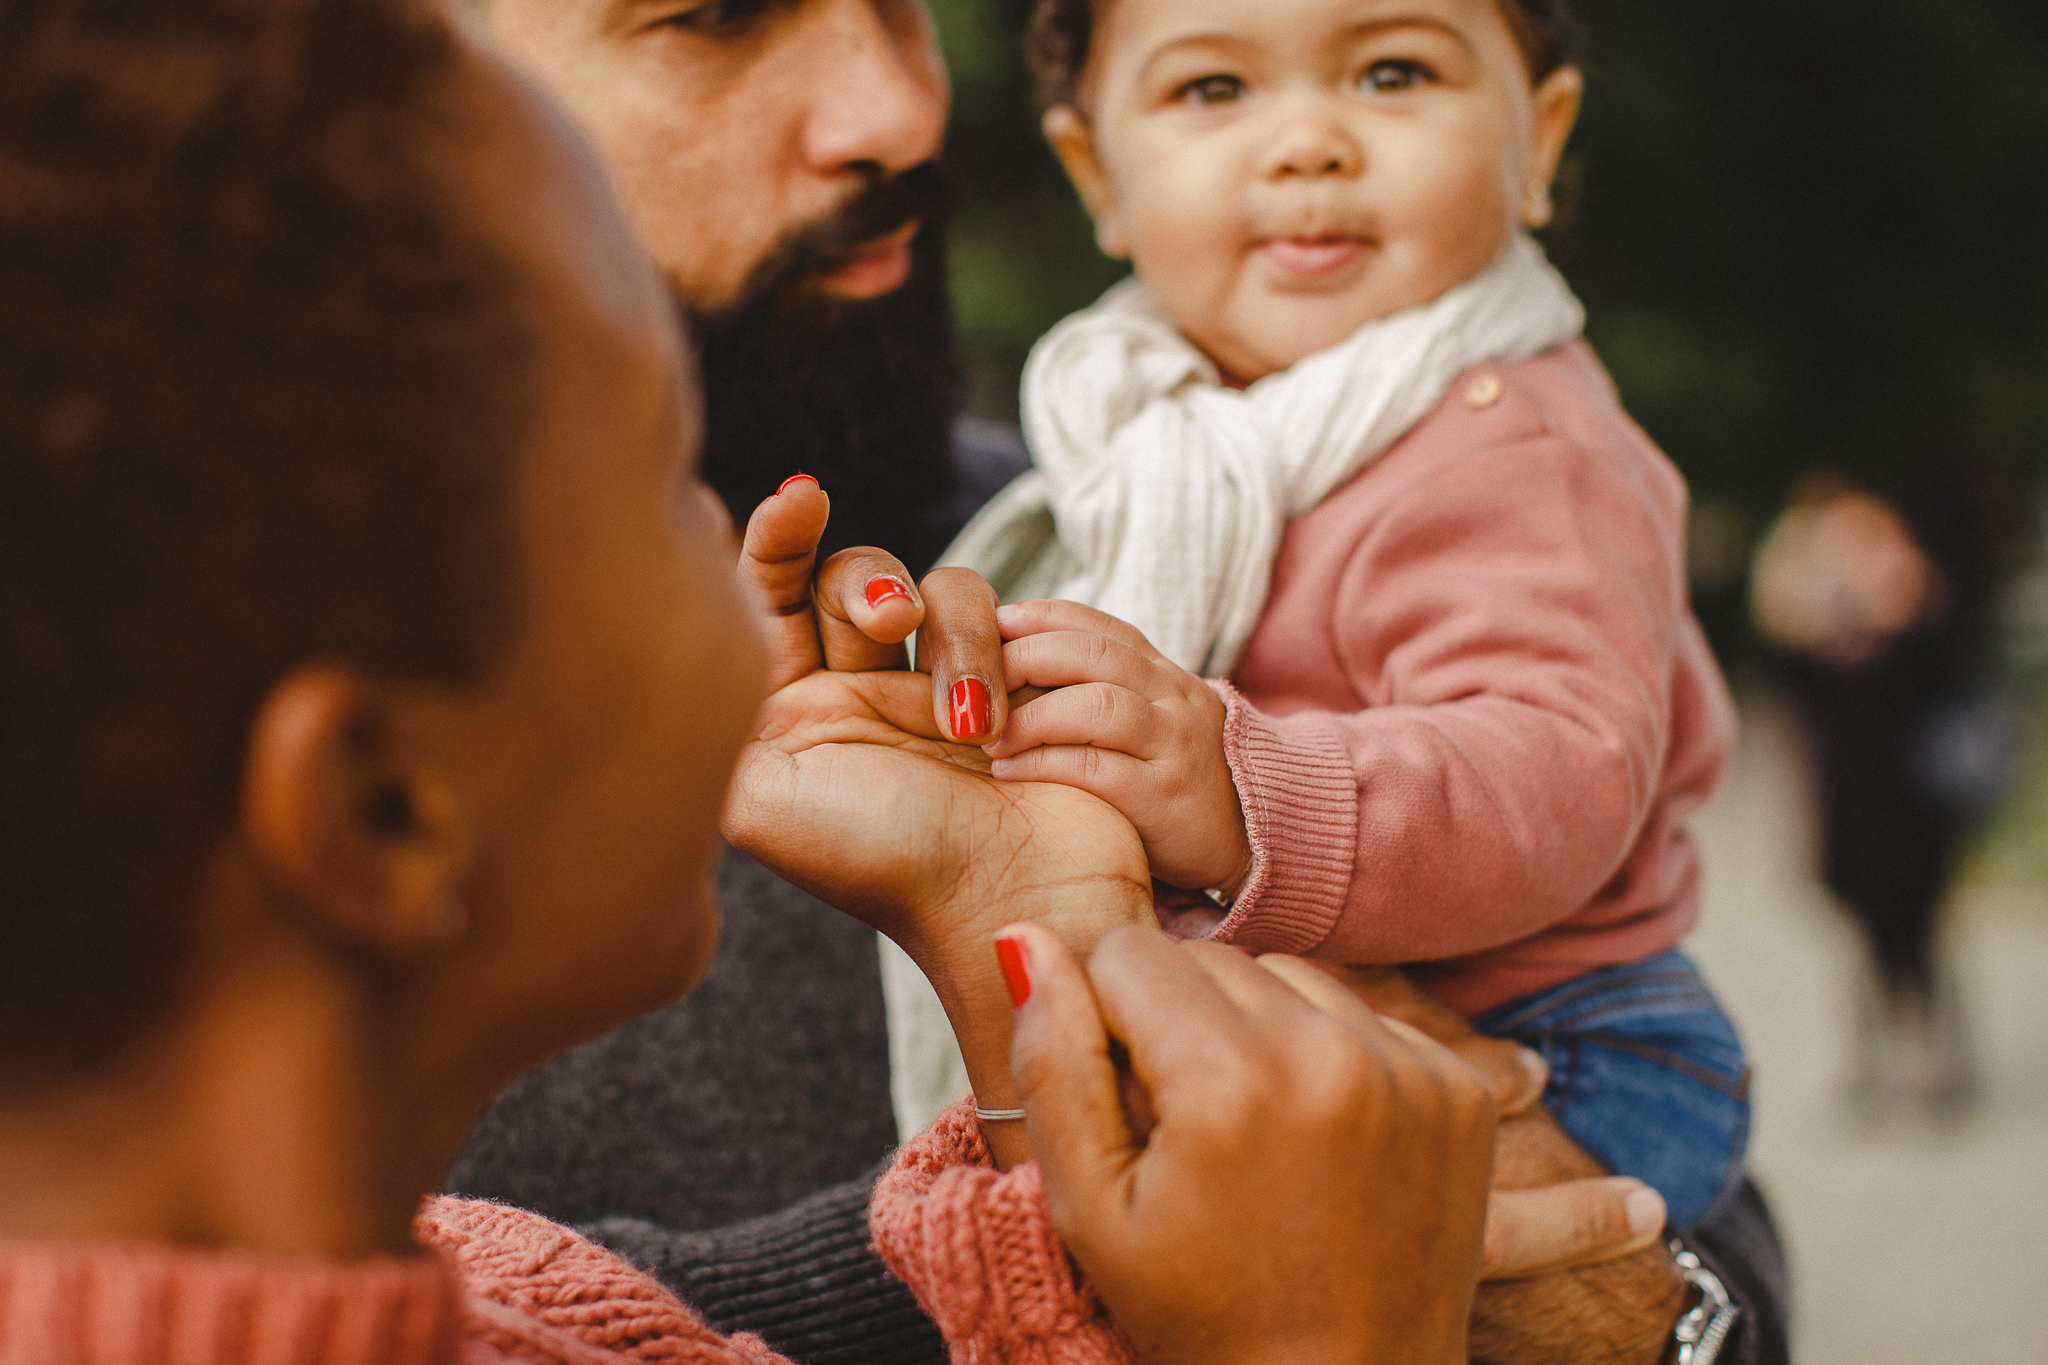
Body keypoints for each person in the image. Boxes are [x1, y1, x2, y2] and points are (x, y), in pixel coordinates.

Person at [0, 3, 1511, 1360]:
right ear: (386, 808)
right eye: (671, 482)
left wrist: (1034, 957)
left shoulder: (505, 1291)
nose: (901, 114)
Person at [446, 1, 1790, 1360]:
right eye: (713, 17)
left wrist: (1652, 1309)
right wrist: (1100, 1240)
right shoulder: (1157, 494)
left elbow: (1707, 1288)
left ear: (1542, 135)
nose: (905, 113)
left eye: (904, 5)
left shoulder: (1106, 533)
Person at [934, 0, 1749, 1232]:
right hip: (1328, 1020)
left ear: (1537, 139)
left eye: (1390, 70)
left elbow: (1561, 765)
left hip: (1562, 1045)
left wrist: (1240, 788)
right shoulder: (1152, 446)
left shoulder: (1514, 445)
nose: (1306, 141)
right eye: (1214, 90)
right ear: (1094, 171)